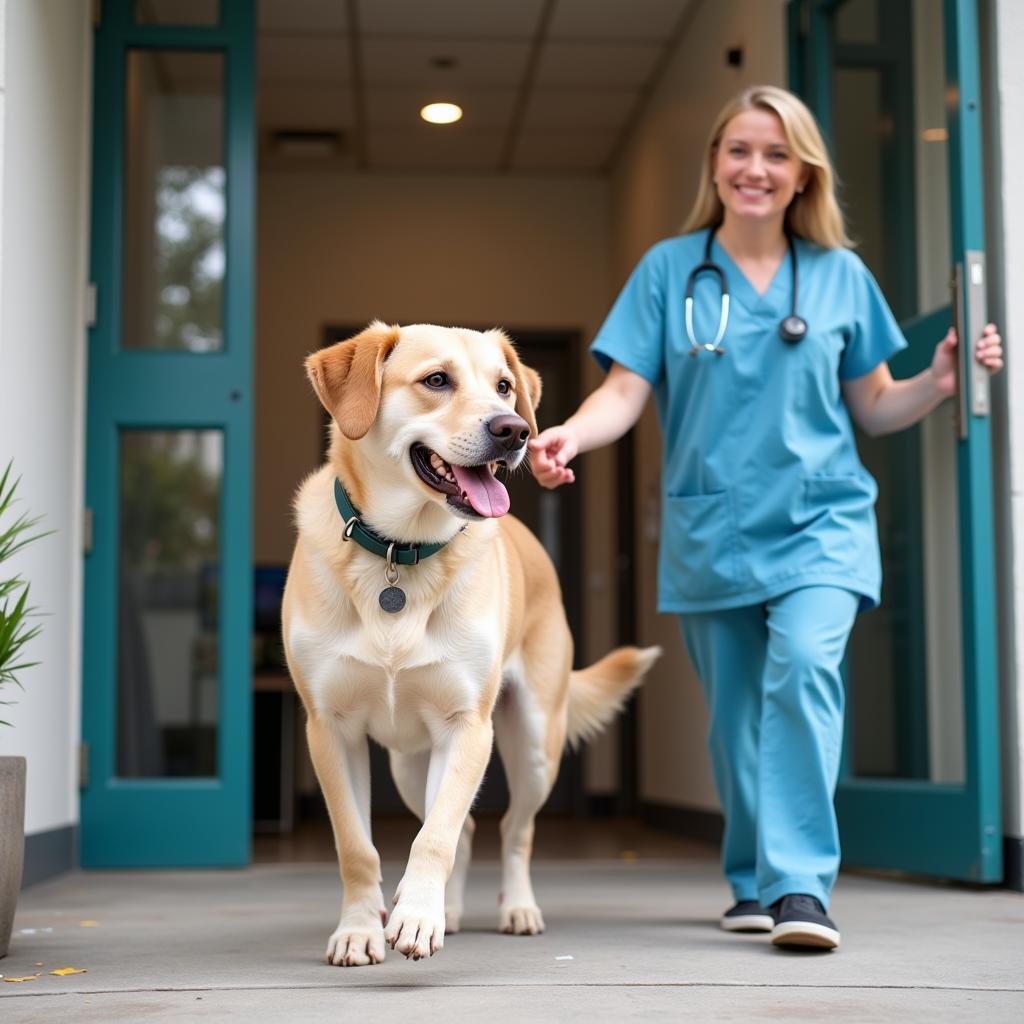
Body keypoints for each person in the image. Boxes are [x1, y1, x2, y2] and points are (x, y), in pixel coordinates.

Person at [529, 84, 1003, 951]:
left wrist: (936, 383)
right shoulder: (670, 271)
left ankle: (799, 889)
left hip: (825, 522)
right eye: (741, 150)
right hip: (717, 529)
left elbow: (874, 406)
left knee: (803, 678)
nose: (756, 168)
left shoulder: (839, 277)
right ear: (715, 164)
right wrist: (569, 434)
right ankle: (749, 875)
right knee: (737, 715)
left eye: (777, 154)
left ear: (802, 175)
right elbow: (625, 392)